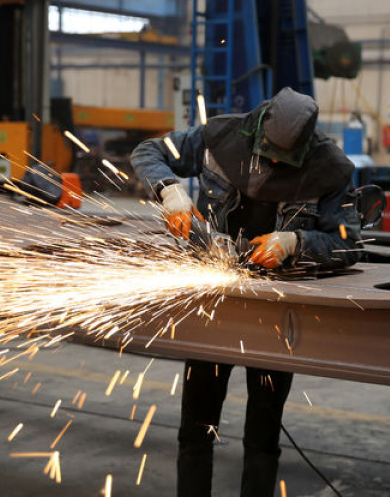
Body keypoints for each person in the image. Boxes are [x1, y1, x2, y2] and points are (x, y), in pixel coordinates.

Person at [131, 87, 362, 497]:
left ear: (308, 146)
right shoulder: (220, 135)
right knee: (196, 429)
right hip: (214, 300)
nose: (272, 162)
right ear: (258, 130)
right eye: (268, 152)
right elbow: (149, 151)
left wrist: (295, 242)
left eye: (283, 158)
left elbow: (347, 242)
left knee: (262, 436)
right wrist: (168, 189)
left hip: (276, 309)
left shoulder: (331, 169)